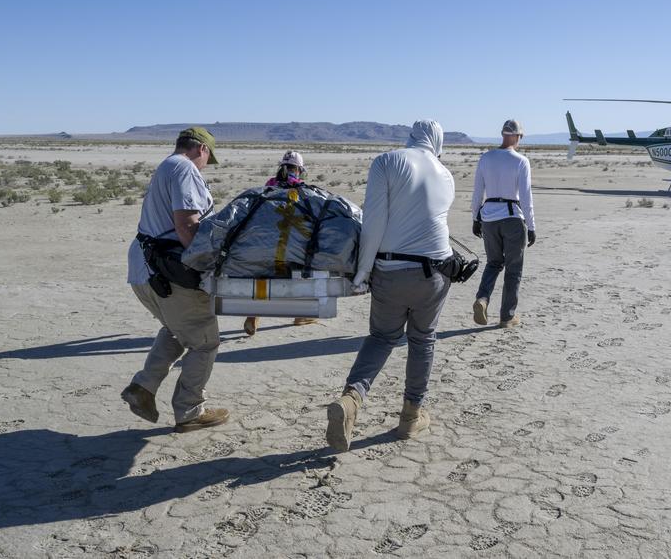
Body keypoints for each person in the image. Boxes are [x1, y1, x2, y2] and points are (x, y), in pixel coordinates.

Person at [326, 120, 455, 452]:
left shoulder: (388, 161)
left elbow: (375, 222)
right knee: (423, 339)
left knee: (382, 337)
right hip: (436, 273)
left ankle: (352, 399)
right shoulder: (445, 174)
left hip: (391, 270)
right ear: (436, 141)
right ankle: (411, 416)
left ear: (410, 137)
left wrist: (361, 274)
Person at [121, 127, 229, 432]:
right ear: (202, 149)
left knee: (177, 329)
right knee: (205, 342)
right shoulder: (184, 168)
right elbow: (187, 225)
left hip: (145, 271)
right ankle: (189, 411)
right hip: (170, 273)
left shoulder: (166, 166)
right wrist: (212, 263)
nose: (206, 164)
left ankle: (143, 388)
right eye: (209, 157)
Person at [470, 119, 536, 328]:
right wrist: (532, 226)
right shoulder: (520, 161)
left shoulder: (486, 158)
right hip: (512, 220)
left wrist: (475, 218)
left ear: (503, 134)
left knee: (493, 263)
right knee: (513, 269)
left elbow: (477, 192)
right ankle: (507, 316)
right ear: (517, 136)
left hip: (489, 219)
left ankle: (482, 298)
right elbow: (526, 197)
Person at [242, 150, 316, 336]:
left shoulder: (269, 185)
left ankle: (254, 314)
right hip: (288, 242)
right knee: (303, 274)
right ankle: (301, 315)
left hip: (263, 239)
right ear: (299, 169)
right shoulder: (300, 188)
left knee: (263, 277)